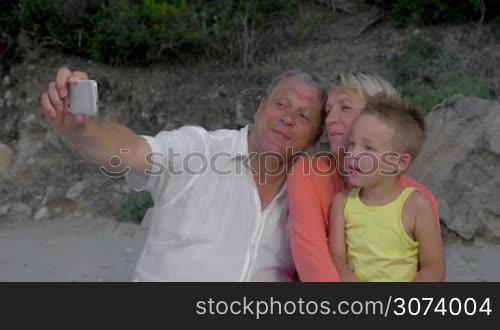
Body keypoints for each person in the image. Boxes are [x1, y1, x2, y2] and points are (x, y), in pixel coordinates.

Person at [40, 67, 329, 281]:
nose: (287, 119)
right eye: (281, 104)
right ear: (259, 108)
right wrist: (82, 129)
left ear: (314, 138)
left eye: (303, 116)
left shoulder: (311, 196)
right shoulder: (198, 151)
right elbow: (130, 149)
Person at [288, 72, 442, 282]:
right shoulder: (312, 176)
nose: (331, 119)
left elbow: (434, 270)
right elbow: (316, 266)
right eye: (328, 110)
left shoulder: (419, 199)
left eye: (346, 107)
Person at [329, 94, 446, 281]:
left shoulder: (416, 205)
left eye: (368, 148)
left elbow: (434, 267)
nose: (353, 154)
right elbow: (337, 257)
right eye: (352, 144)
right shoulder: (342, 203)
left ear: (398, 162)